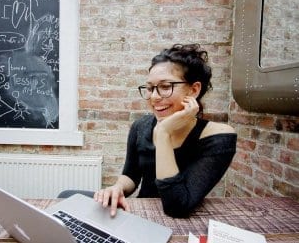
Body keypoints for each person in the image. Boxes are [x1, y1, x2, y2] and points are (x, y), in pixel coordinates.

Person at [94, 44, 237, 218]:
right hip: (141, 215)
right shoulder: (141, 126)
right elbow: (131, 176)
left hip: (186, 225)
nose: (154, 97)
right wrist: (117, 187)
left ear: (194, 90)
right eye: (150, 88)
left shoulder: (218, 137)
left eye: (165, 86)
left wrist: (163, 133)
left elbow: (177, 205)